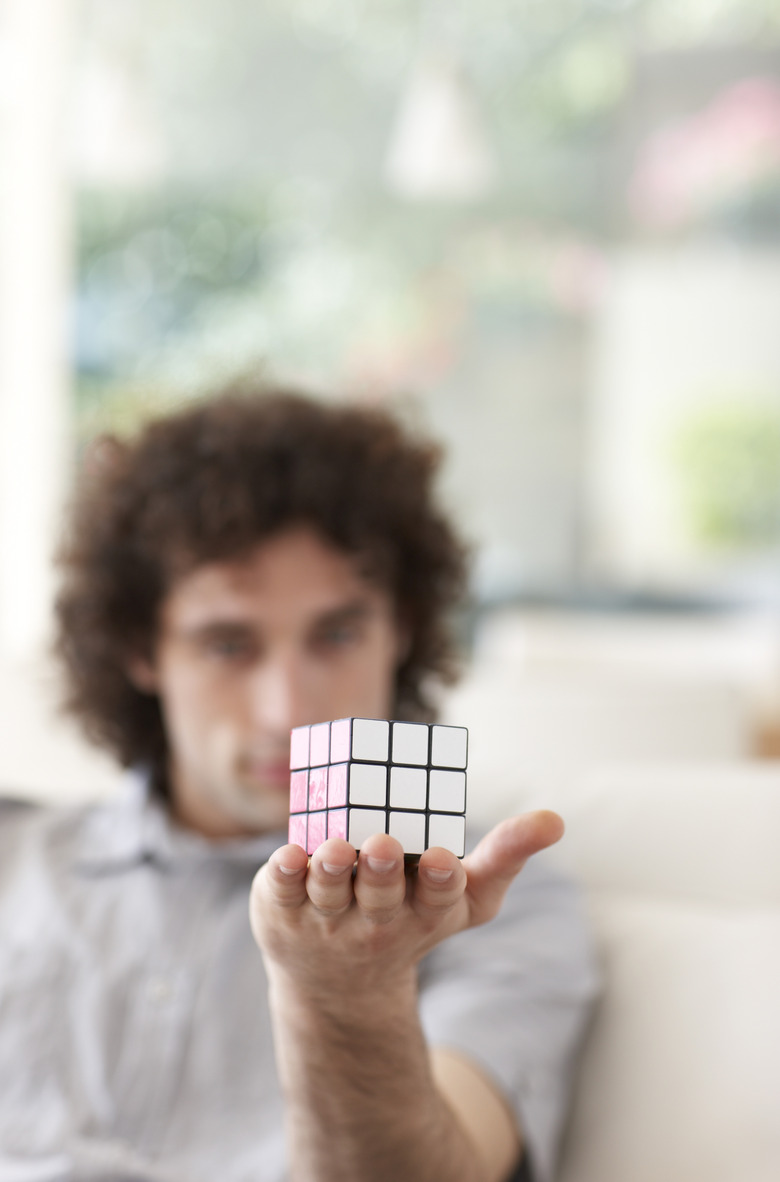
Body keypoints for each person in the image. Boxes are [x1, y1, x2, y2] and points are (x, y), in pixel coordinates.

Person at [0, 383, 598, 1182]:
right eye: (227, 645)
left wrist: (346, 998)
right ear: (142, 652)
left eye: (337, 634)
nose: (289, 710)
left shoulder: (492, 902)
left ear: (401, 633)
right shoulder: (16, 857)